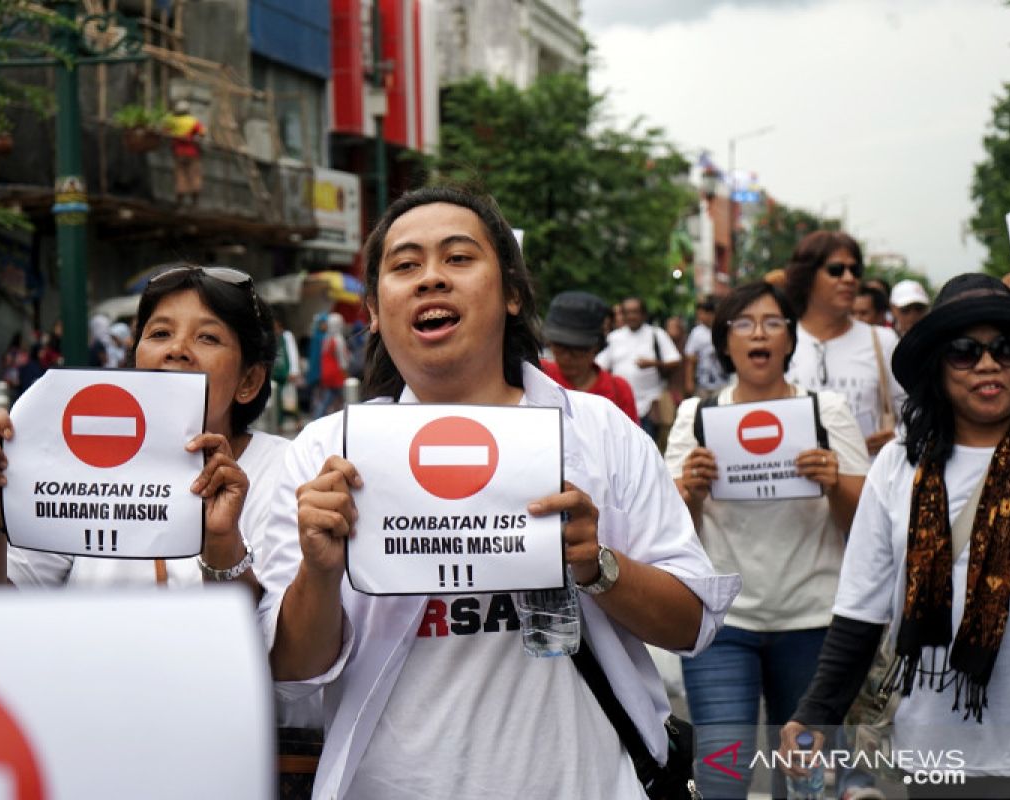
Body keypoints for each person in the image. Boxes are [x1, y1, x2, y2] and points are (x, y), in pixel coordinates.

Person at [257, 184, 739, 799]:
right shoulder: (324, 455)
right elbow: (292, 672)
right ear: (374, 310)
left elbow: (692, 623)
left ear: (511, 293)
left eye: (458, 258)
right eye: (405, 265)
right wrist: (321, 571)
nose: (431, 278)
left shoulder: (598, 434)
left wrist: (599, 567)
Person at [783, 273, 1010, 798]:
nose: (987, 364)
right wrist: (816, 712)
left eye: (1006, 348)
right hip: (934, 747)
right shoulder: (894, 465)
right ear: (938, 366)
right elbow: (861, 610)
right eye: (964, 350)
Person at [0, 265, 286, 599]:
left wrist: (223, 543)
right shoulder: (72, 464)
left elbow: (286, 646)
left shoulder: (285, 472)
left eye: (208, 337)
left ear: (249, 381)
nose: (176, 349)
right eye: (160, 333)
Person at [665, 282, 869, 799]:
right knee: (722, 777)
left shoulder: (827, 411)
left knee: (804, 779)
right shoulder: (697, 415)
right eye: (743, 323)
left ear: (789, 340)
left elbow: (867, 521)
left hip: (814, 622)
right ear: (724, 341)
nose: (759, 333)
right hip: (722, 623)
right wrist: (689, 488)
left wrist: (833, 481)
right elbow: (671, 527)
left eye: (773, 323)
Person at [784, 230, 903, 457]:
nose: (849, 279)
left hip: (866, 484)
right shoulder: (781, 340)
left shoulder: (882, 341)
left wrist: (897, 436)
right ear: (807, 276)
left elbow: (917, 414)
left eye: (855, 270)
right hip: (799, 484)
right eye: (836, 270)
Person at [540, 290, 638, 423]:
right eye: (559, 347)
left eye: (578, 349)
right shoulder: (538, 376)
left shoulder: (619, 391)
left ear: (596, 347)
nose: (567, 357)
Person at [596, 296, 683, 443]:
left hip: (650, 405)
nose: (632, 316)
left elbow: (675, 360)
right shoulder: (614, 338)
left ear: (643, 314)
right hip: (622, 405)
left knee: (649, 445)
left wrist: (654, 363)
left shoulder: (656, 334)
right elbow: (599, 366)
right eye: (627, 312)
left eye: (635, 312)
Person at [164, 99, 206, 208]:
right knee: (194, 176)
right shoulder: (192, 121)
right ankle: (195, 203)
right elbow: (202, 133)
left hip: (178, 153)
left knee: (180, 176)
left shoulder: (172, 120)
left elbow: (165, 131)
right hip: (192, 153)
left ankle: (179, 203)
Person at [686, 295, 729, 400]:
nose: (699, 317)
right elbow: (690, 358)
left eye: (701, 313)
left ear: (710, 313)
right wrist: (689, 381)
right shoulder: (696, 333)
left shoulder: (724, 329)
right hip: (703, 382)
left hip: (724, 381)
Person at [312, 312, 347, 419]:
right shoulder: (338, 339)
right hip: (337, 374)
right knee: (346, 398)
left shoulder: (326, 338)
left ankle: (318, 418)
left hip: (326, 373)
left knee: (329, 398)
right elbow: (342, 360)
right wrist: (346, 373)